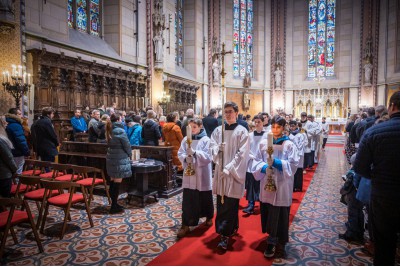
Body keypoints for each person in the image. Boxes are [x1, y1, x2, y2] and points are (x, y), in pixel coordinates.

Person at [353, 91, 400, 265]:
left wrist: (378, 177)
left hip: (383, 194)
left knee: (384, 241)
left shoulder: (375, 131)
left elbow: (360, 167)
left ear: (392, 107)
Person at [252, 115, 299, 258]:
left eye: (278, 127)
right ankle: (271, 240)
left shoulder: (289, 144)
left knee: (281, 214)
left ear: (283, 128)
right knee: (269, 211)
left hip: (282, 185)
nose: (275, 129)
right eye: (273, 126)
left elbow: (293, 165)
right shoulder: (264, 144)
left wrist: (278, 163)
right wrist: (264, 166)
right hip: (267, 182)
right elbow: (255, 161)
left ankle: (281, 243)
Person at [210, 101, 249, 251]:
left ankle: (225, 235)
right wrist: (216, 149)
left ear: (236, 113)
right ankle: (229, 228)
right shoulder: (218, 130)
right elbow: (211, 145)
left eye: (230, 111)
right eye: (225, 111)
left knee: (230, 204)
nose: (227, 114)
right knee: (221, 204)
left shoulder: (241, 131)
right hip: (221, 171)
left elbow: (242, 153)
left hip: (232, 173)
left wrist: (230, 167)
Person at [177, 119, 213, 238]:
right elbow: (180, 153)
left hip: (202, 173)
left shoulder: (206, 140)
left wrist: (195, 153)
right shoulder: (185, 139)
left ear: (200, 126)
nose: (192, 129)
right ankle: (186, 224)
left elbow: (208, 157)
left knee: (205, 197)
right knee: (188, 199)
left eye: (194, 127)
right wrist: (185, 158)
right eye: (190, 127)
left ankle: (208, 217)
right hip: (189, 173)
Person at [106, 113, 132, 214]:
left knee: (112, 181)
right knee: (117, 183)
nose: (122, 120)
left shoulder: (109, 129)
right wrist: (130, 154)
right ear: (117, 120)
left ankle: (114, 203)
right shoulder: (120, 130)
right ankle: (113, 206)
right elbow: (126, 145)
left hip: (111, 157)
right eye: (121, 118)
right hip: (119, 158)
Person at [243, 115, 267, 214]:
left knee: (262, 184)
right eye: (255, 122)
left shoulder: (267, 135)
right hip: (251, 162)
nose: (257, 124)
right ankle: (251, 204)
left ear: (263, 122)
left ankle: (263, 203)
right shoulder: (250, 135)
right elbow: (246, 148)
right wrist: (250, 156)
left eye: (259, 122)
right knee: (251, 185)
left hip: (262, 163)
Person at [5, 108, 30, 174]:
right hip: (17, 152)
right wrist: (26, 152)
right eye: (19, 114)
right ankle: (16, 184)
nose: (21, 116)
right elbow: (21, 141)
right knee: (17, 172)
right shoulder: (16, 125)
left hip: (8, 152)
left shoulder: (7, 123)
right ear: (14, 115)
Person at [0, 115, 17, 198]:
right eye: (4, 122)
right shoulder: (1, 140)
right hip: (3, 174)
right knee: (4, 200)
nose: (6, 123)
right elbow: (8, 157)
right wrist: (15, 169)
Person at [289, 120, 308, 192]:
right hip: (291, 154)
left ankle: (298, 186)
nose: (292, 128)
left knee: (298, 170)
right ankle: (292, 186)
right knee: (292, 170)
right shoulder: (289, 134)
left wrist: (294, 148)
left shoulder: (301, 134)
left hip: (299, 154)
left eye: (293, 126)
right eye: (290, 126)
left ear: (296, 126)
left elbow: (300, 145)